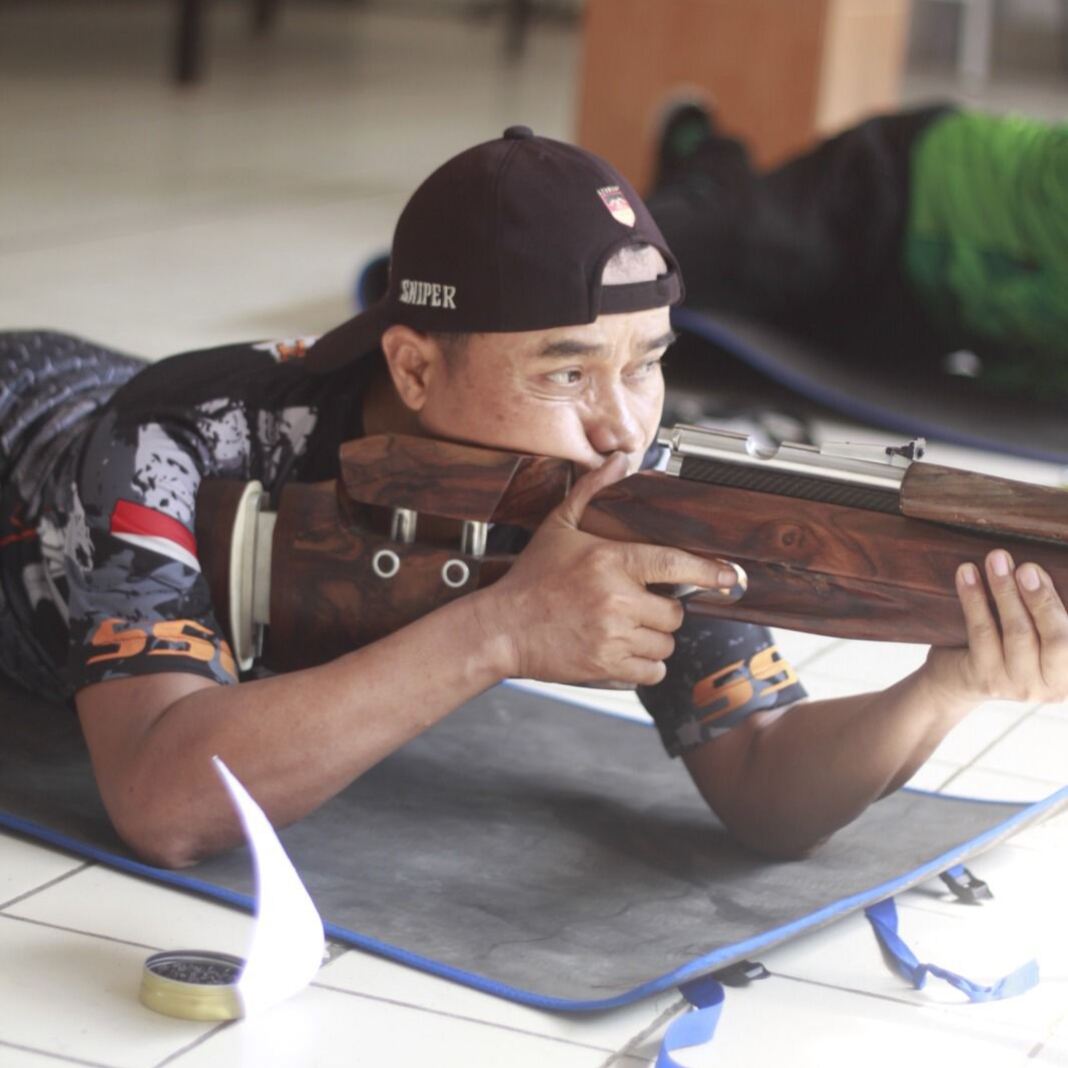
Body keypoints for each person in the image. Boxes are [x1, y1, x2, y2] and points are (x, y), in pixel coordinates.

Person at [2, 126, 1066, 871]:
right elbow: (164, 803)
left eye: (646, 362)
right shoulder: (175, 441)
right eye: (564, 375)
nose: (622, 427)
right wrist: (502, 632)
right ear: (413, 369)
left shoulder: (621, 486)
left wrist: (944, 687)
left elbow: (765, 783)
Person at [647, 102, 1068, 400]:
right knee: (657, 262)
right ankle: (703, 150)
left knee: (729, 350)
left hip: (926, 311)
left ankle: (720, 183)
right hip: (898, 182)